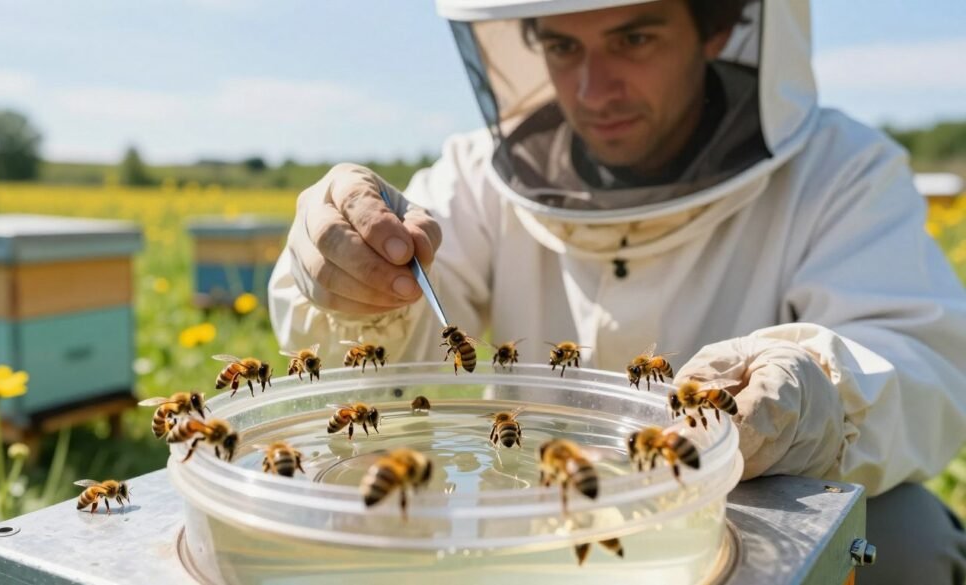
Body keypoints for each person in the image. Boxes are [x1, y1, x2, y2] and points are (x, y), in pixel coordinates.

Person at [269, 0, 966, 581]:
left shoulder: (842, 173)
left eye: (635, 37)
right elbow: (392, 357)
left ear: (717, 25)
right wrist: (353, 279)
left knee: (903, 537)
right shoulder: (474, 177)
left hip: (742, 521)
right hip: (530, 512)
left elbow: (922, 356)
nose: (593, 89)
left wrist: (820, 389)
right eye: (562, 45)